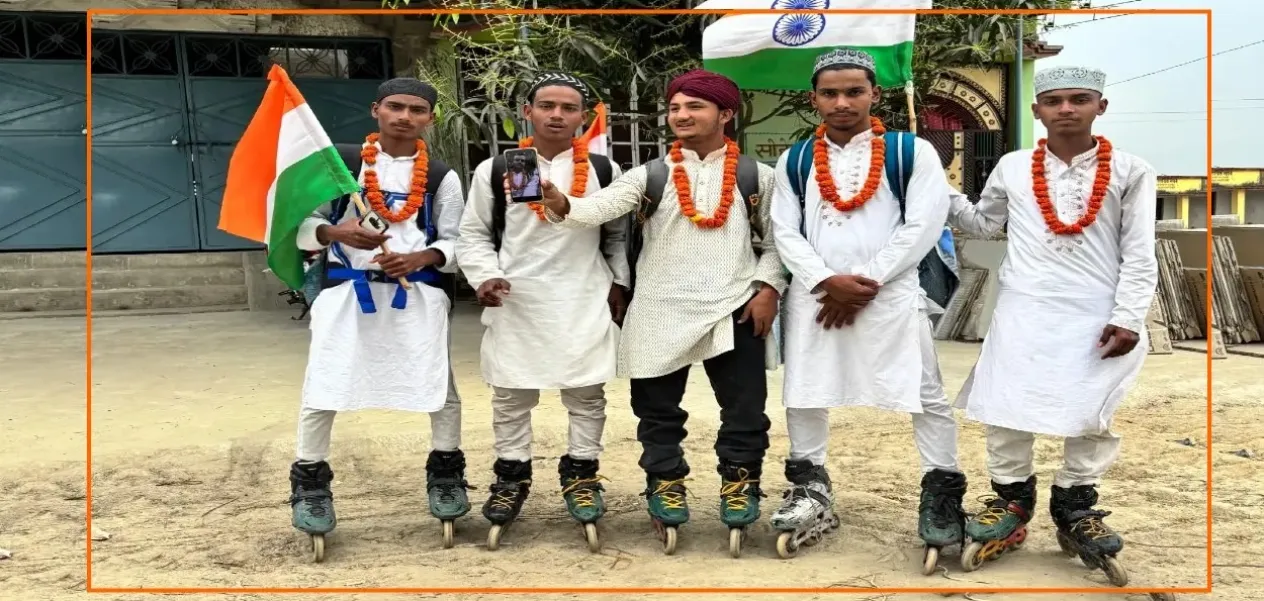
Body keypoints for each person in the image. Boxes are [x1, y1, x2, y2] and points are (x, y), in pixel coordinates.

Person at [535, 69, 787, 557]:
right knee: (656, 412)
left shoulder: (761, 177)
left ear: (726, 114)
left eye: (694, 106)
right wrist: (560, 201)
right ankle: (664, 483)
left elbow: (777, 244)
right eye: (674, 108)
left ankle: (740, 486)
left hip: (733, 306)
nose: (681, 116)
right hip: (658, 306)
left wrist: (767, 288)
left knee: (744, 411)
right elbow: (595, 208)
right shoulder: (650, 175)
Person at [947, 66, 1159, 585]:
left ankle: (1075, 507)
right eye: (1054, 101)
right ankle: (1011, 502)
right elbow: (982, 223)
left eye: (1078, 99)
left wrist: (1129, 316)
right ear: (1038, 110)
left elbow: (1138, 253)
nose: (1066, 109)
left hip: (1099, 313)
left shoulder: (1132, 170)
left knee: (1092, 411)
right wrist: (941, 187)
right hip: (1024, 309)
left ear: (1099, 107)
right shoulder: (1014, 167)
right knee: (1006, 405)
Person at [766, 48, 966, 569]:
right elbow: (785, 229)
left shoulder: (912, 151)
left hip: (892, 298)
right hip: (816, 298)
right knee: (805, 391)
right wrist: (825, 280)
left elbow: (923, 224)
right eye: (830, 93)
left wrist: (865, 283)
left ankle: (942, 493)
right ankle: (810, 488)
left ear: (875, 94)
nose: (842, 102)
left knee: (925, 394)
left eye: (854, 91)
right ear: (814, 99)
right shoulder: (796, 158)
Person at [286, 77, 471, 560]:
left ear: (429, 118)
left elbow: (458, 241)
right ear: (376, 109)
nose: (404, 116)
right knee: (323, 385)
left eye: (416, 109)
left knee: (439, 388)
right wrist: (334, 229)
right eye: (395, 106)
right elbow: (298, 225)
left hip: (418, 297)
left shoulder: (441, 176)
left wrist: (423, 258)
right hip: (346, 291)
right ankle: (310, 484)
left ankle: (447, 476)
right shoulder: (340, 166)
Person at [455, 71, 628, 552]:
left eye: (568, 107)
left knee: (586, 394)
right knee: (511, 397)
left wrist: (619, 284)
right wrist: (484, 277)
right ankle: (510, 479)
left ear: (583, 116)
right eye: (547, 105)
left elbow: (615, 235)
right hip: (519, 297)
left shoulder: (603, 170)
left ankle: (582, 475)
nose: (557, 115)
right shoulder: (500, 167)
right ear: (527, 112)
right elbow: (473, 234)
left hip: (582, 293)